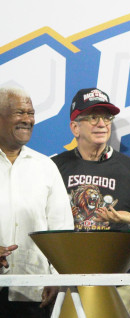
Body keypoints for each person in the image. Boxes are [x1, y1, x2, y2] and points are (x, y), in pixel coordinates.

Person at [51, 87, 130, 310]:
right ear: (75, 127)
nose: (102, 123)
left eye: (106, 117)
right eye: (93, 117)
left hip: (119, 285)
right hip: (65, 284)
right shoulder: (54, 168)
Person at [0, 87, 73, 318]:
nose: (28, 120)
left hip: (33, 292)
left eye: (31, 113)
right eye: (20, 112)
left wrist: (57, 277)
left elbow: (61, 229)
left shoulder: (45, 167)